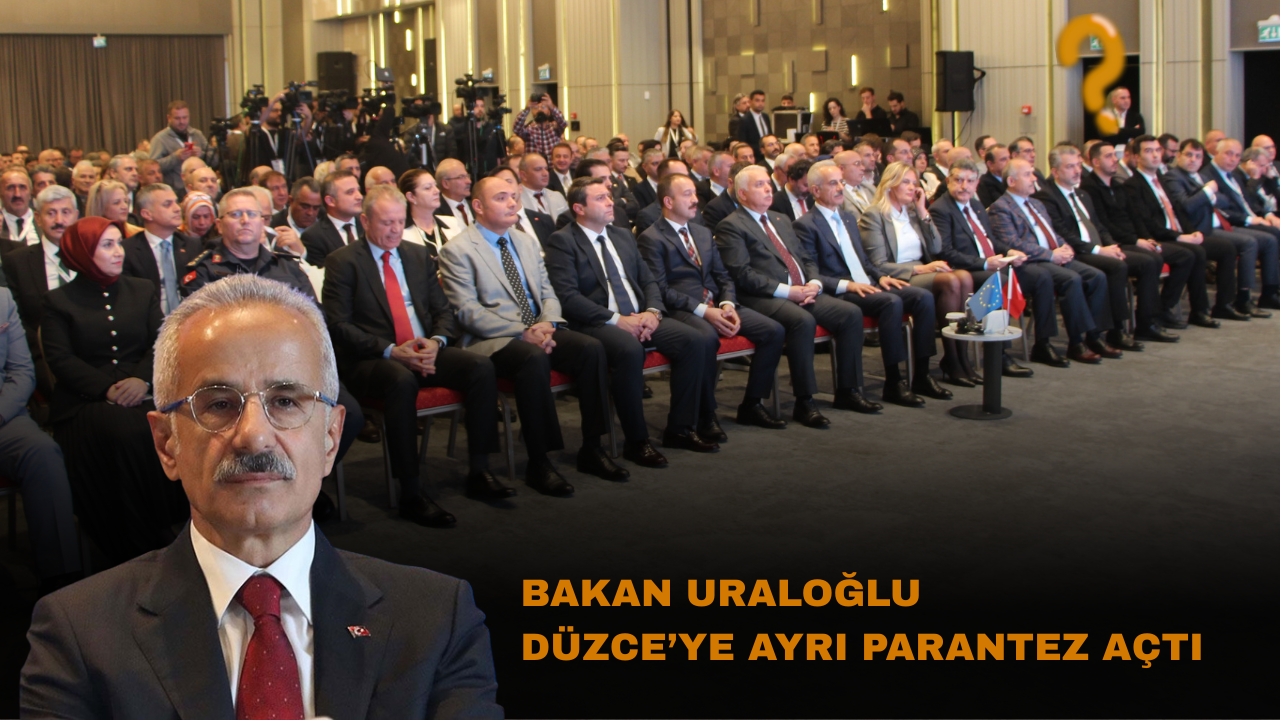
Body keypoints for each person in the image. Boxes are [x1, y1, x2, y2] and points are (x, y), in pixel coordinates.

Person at [22, 273, 502, 718]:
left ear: (331, 438)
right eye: (218, 404)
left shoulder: (439, 618)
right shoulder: (77, 632)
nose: (254, 437)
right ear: (167, 444)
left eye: (286, 401)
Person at [324, 185, 503, 526]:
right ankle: (411, 491)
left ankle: (480, 470)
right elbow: (339, 326)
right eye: (386, 222)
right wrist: (391, 350)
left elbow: (443, 310)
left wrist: (436, 341)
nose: (394, 230)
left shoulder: (417, 255)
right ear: (365, 221)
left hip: (422, 349)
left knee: (480, 367)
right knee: (401, 379)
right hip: (373, 359)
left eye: (399, 221)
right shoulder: (343, 262)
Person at [440, 176, 624, 489]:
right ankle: (540, 461)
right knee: (532, 358)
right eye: (501, 198)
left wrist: (548, 323)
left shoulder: (524, 241)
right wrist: (522, 332)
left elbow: (548, 292)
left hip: (539, 328)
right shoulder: (458, 250)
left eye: (514, 196)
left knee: (591, 348)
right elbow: (468, 312)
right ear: (478, 206)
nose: (512, 203)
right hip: (492, 339)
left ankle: (593, 447)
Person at [40, 216, 183, 566]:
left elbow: (161, 342)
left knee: (177, 422)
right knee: (130, 431)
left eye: (119, 243)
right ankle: (138, 536)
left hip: (142, 388)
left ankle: (182, 522)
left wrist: (142, 380)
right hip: (87, 400)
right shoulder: (58, 300)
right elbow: (60, 358)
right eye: (107, 245)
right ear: (82, 252)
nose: (119, 251)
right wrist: (106, 388)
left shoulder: (141, 289)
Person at [545, 177, 717, 465]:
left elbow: (648, 281)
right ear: (579, 208)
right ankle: (637, 441)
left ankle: (680, 428)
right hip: (598, 321)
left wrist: (652, 312)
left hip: (639, 315)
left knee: (694, 341)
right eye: (600, 198)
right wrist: (617, 320)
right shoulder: (563, 241)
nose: (610, 202)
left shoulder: (622, 235)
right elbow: (568, 297)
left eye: (609, 196)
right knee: (629, 350)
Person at [715, 165, 880, 424]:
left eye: (768, 183)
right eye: (759, 185)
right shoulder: (731, 225)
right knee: (802, 321)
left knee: (850, 313)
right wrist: (788, 291)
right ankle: (805, 401)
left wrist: (814, 282)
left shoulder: (780, 219)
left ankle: (848, 390)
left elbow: (805, 258)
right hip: (763, 296)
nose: (768, 189)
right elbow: (742, 274)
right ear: (742, 194)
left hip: (803, 290)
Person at [638, 173, 788, 432]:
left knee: (773, 331)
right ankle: (706, 413)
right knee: (706, 339)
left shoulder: (703, 232)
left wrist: (728, 303)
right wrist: (704, 311)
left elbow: (723, 276)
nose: (695, 200)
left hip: (717, 303)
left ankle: (752, 404)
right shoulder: (652, 238)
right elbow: (660, 289)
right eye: (687, 195)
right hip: (683, 308)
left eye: (695, 193)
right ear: (668, 201)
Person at [795, 161, 951, 404]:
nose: (841, 188)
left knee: (922, 297)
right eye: (833, 183)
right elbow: (811, 272)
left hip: (867, 282)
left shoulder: (847, 218)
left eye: (841, 182)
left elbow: (865, 261)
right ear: (815, 190)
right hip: (841, 290)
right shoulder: (805, 225)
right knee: (890, 302)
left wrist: (881, 276)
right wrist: (849, 285)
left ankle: (922, 374)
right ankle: (894, 381)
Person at [1033, 145, 1173, 347]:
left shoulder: (1082, 194)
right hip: (1077, 252)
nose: (1077, 171)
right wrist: (1100, 250)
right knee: (1116, 266)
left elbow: (1099, 226)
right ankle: (1115, 330)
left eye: (1078, 165)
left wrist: (1112, 246)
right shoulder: (1047, 197)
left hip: (1098, 248)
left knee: (1149, 261)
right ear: (1055, 172)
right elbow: (1063, 234)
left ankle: (1147, 323)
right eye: (1070, 167)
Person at [858, 161, 981, 384]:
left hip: (924, 271)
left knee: (964, 277)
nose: (912, 188)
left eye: (914, 183)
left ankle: (961, 357)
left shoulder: (912, 212)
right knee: (951, 281)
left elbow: (936, 247)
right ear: (890, 184)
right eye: (905, 182)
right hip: (898, 274)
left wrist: (924, 211)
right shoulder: (874, 215)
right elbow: (879, 264)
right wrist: (920, 268)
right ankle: (952, 359)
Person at [987, 158, 1113, 365]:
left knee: (1096, 276)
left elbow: (1052, 233)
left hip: (1053, 257)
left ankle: (1094, 336)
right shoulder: (1001, 207)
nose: (1034, 179)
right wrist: (1051, 255)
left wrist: (1065, 247)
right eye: (1027, 174)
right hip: (1029, 263)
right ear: (1011, 181)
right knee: (1070, 279)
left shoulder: (1036, 203)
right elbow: (1013, 243)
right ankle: (1073, 342)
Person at [930, 158, 1045, 377]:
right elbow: (945, 252)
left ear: (976, 183)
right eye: (958, 180)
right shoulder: (940, 209)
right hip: (961, 270)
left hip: (988, 265)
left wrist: (1009, 252)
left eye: (970, 181)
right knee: (999, 280)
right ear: (948, 181)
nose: (964, 186)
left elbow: (990, 241)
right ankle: (998, 354)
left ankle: (1011, 347)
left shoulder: (975, 205)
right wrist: (984, 263)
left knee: (1031, 274)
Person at [0, 285, 81, 593]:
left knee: (42, 452)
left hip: (4, 415)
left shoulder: (2, 299)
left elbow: (22, 372)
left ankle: (61, 576)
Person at [1080, 140, 1205, 329]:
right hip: (1117, 242)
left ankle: (1161, 310)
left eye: (1115, 155)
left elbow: (1136, 217)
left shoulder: (1118, 185)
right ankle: (1146, 322)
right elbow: (1104, 225)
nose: (1115, 160)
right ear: (1096, 162)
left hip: (1134, 239)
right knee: (1150, 261)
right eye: (1109, 156)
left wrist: (1147, 239)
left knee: (1185, 255)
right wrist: (1137, 241)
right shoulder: (1089, 188)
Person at [1161, 139, 1271, 317]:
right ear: (1179, 156)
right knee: (1233, 247)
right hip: (1194, 230)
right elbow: (1187, 205)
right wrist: (1207, 192)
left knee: (1234, 247)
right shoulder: (1174, 177)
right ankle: (1228, 303)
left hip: (1211, 227)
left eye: (1198, 156)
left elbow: (1225, 200)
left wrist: (1210, 195)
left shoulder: (1200, 177)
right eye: (1189, 155)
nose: (1193, 160)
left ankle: (1226, 304)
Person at [1200, 137, 1280, 308]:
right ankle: (1245, 298)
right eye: (1229, 154)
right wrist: (1250, 219)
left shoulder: (1233, 174)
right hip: (1228, 223)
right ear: (1216, 153)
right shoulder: (1207, 176)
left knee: (1272, 236)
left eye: (1237, 156)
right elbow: (1222, 209)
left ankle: (1270, 291)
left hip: (1245, 218)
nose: (1233, 159)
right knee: (1261, 239)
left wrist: (1266, 215)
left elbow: (1249, 201)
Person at [118, 184, 203, 317]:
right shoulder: (128, 250)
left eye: (176, 202)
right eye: (167, 204)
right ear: (147, 214)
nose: (177, 209)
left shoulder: (192, 245)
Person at [149, 101, 220, 197]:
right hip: (175, 191)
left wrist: (202, 155)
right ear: (169, 118)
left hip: (201, 190)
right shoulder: (160, 139)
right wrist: (175, 157)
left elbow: (215, 160)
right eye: (177, 118)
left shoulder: (197, 134)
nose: (182, 121)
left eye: (185, 117)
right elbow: (153, 167)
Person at [301, 170, 365, 267]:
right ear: (331, 201)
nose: (359, 196)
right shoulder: (314, 237)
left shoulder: (369, 224)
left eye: (358, 190)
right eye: (350, 192)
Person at [399, 168, 446, 262]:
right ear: (411, 197)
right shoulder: (401, 233)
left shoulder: (453, 223)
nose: (437, 191)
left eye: (435, 185)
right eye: (428, 188)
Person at [513, 93, 568, 161]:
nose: (540, 109)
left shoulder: (554, 127)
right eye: (536, 108)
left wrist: (552, 106)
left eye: (543, 107)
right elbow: (516, 128)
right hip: (533, 165)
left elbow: (563, 123)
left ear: (549, 112)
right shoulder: (528, 129)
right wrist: (526, 109)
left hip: (551, 166)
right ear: (532, 112)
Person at [519, 152, 570, 221]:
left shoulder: (557, 196)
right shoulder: (516, 199)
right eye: (538, 169)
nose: (545, 173)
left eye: (546, 169)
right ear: (523, 175)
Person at [1, 167, 37, 245]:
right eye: (10, 188)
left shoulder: (42, 220)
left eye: (22, 187)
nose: (17, 194)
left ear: (31, 192)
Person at [737, 90, 772, 159]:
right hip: (754, 156)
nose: (760, 103)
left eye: (763, 101)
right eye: (757, 100)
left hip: (768, 155)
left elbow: (770, 134)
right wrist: (762, 149)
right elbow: (743, 142)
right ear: (750, 102)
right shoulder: (745, 120)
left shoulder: (765, 117)